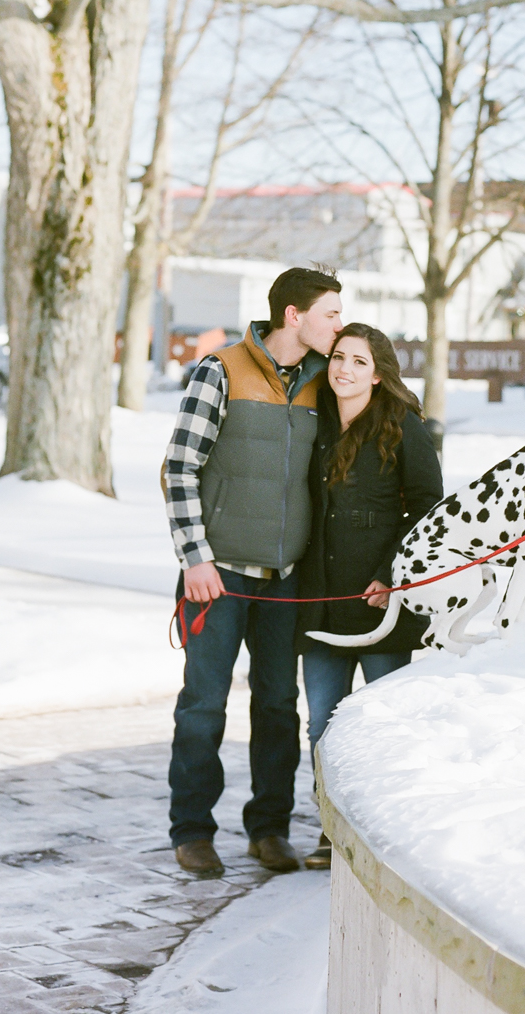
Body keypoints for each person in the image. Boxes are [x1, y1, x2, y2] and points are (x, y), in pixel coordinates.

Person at [164, 266, 344, 878]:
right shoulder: (220, 371)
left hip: (285, 579)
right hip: (216, 577)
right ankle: (192, 830)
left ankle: (268, 829)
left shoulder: (324, 382)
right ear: (294, 316)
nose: (338, 327)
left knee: (277, 706)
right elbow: (179, 468)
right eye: (331, 314)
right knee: (203, 707)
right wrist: (195, 559)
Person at [296, 322, 443, 869]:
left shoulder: (403, 425)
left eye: (359, 362)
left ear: (378, 374)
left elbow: (429, 505)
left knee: (380, 722)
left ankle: (378, 832)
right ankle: (330, 831)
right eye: (338, 358)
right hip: (322, 600)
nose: (344, 370)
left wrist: (392, 574)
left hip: (383, 601)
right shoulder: (316, 421)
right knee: (322, 723)